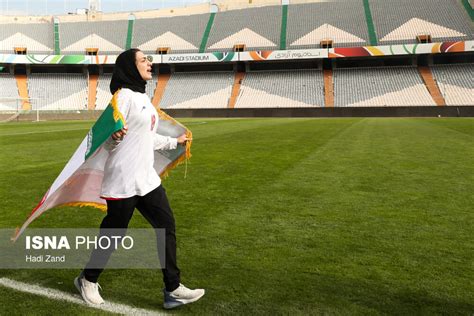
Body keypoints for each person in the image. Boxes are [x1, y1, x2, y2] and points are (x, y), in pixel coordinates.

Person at [74, 48, 204, 310]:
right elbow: (109, 135)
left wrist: (173, 141)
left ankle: (172, 288)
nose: (149, 63)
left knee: (166, 225)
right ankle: (87, 279)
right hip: (123, 179)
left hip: (146, 179)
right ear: (130, 67)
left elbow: (145, 136)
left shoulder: (142, 98)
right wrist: (114, 136)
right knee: (114, 233)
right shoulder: (122, 97)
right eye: (144, 60)